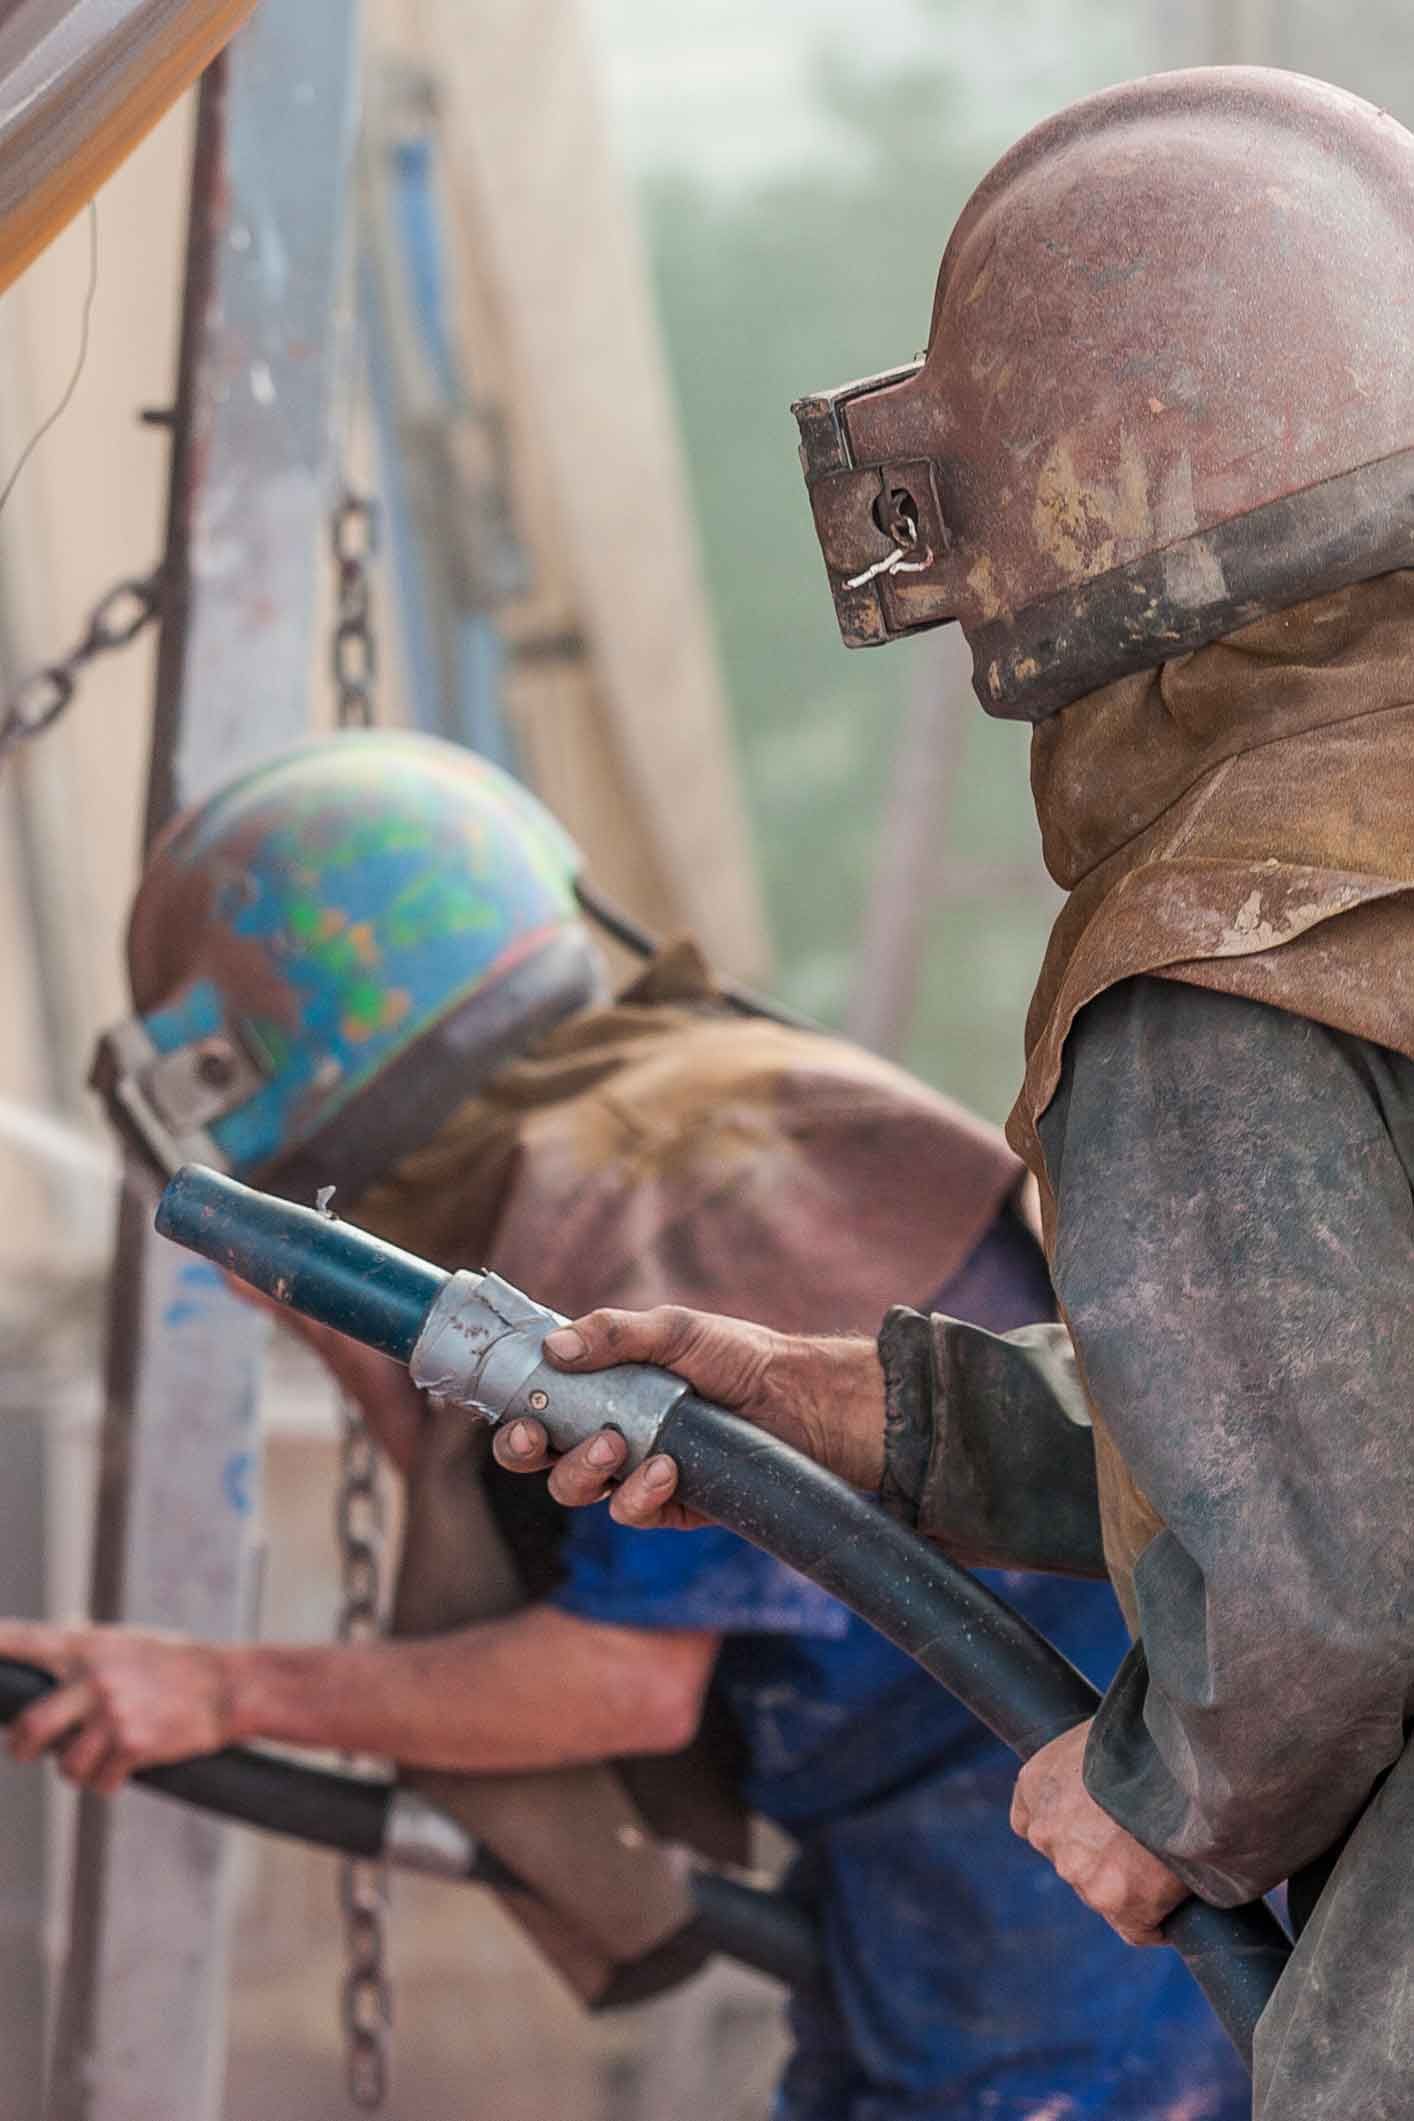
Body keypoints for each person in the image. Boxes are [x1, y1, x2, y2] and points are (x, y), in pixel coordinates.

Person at [489, 66, 1414, 2121]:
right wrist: (858, 1409)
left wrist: (1161, 1785)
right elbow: (1343, 1395)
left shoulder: (1221, 964)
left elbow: (1336, 1592)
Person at [0, 732, 1247, 2119]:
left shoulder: (649, 1200)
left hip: (1063, 1868)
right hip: (967, 1853)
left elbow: (619, 1678)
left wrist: (218, 1691)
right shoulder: (678, 1103)